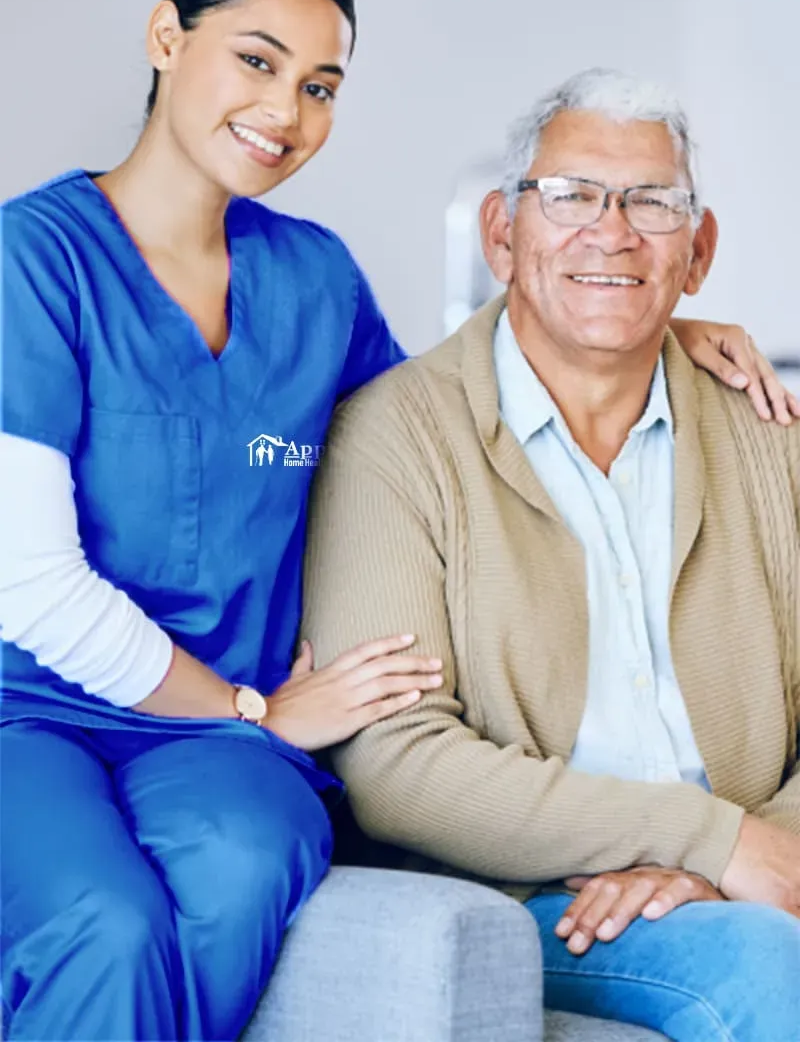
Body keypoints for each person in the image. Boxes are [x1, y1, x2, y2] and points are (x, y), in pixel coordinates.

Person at [0, 0, 793, 1039]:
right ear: (166, 39)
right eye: (257, 60)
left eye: (319, 84)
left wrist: (650, 316)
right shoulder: (32, 260)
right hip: (50, 710)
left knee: (240, 873)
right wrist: (251, 705)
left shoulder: (312, 279)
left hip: (226, 748)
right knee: (105, 921)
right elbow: (30, 584)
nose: (285, 110)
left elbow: (458, 398)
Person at [301, 68, 800, 1041]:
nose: (610, 231)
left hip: (757, 868)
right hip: (526, 895)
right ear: (500, 233)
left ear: (694, 252)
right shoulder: (394, 436)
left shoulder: (766, 433)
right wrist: (709, 838)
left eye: (652, 201)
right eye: (570, 194)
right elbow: (396, 761)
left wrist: (756, 851)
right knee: (757, 962)